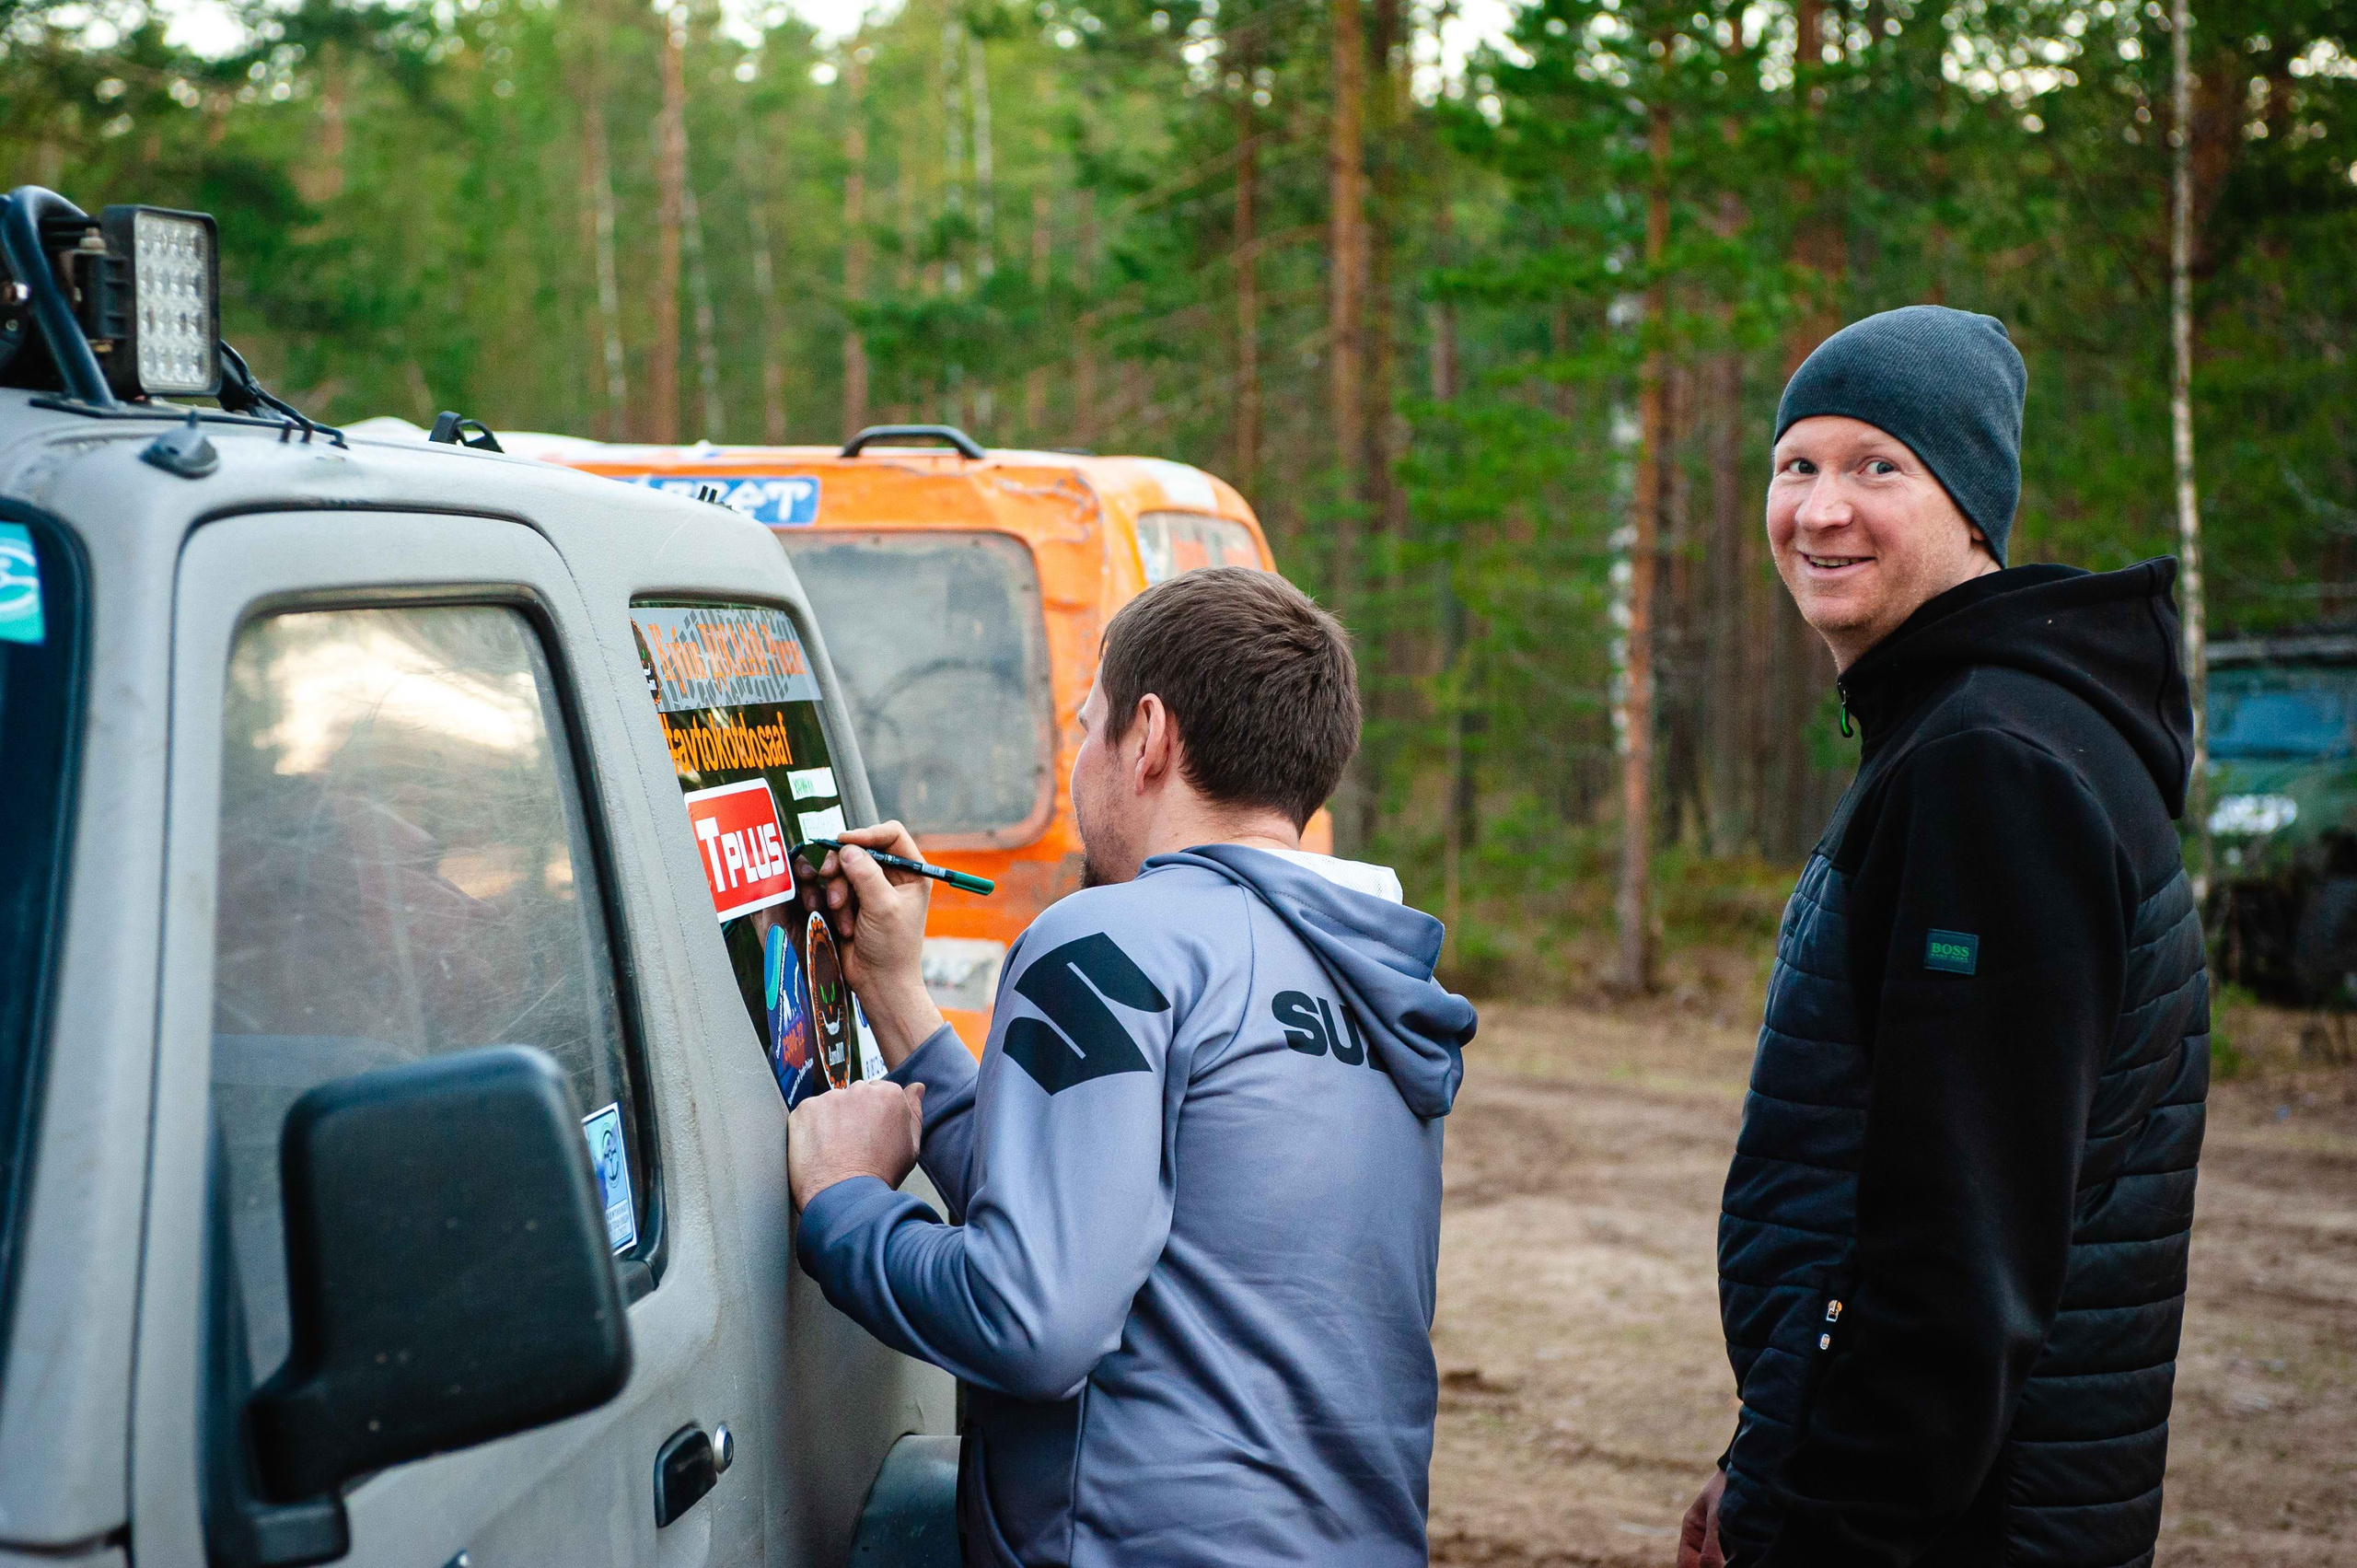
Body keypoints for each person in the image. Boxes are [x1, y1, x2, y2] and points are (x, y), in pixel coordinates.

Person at [784, 565, 1477, 1568]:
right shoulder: (1358, 970)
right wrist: (897, 999)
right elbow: (1107, 1213)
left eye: (1084, 726)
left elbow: (1031, 1319)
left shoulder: (1109, 941)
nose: (1078, 763)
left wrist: (846, 1202)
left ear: (1148, 736)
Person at [1681, 306, 2210, 1568]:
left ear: (1973, 503)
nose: (1818, 510)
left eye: (1878, 466)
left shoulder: (1992, 769)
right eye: (1795, 464)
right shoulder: (1983, 727)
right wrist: (1763, 1452)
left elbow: (1955, 1256)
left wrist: (1820, 1523)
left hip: (1956, 1521)